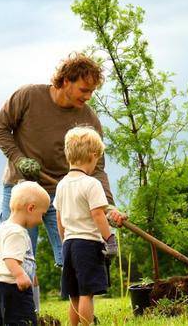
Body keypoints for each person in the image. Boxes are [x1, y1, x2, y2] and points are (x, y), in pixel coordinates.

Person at [0, 52, 124, 309]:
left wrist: (106, 206)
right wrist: (19, 160)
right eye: (84, 90)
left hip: (63, 193)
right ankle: (28, 314)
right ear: (65, 80)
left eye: (92, 92)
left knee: (72, 255)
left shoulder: (88, 118)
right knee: (17, 254)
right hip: (22, 190)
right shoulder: (28, 96)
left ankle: (81, 314)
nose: (88, 97)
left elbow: (98, 168)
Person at [55, 126, 124, 326]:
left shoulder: (61, 185)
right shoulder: (92, 184)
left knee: (74, 293)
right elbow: (98, 214)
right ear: (93, 156)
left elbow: (59, 219)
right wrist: (110, 239)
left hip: (69, 244)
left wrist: (63, 242)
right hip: (87, 244)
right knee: (87, 292)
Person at [0, 181, 50, 326]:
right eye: (42, 214)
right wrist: (20, 275)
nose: (41, 220)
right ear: (31, 208)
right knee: (23, 320)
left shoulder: (0, 229)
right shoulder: (18, 232)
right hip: (15, 286)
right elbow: (10, 258)